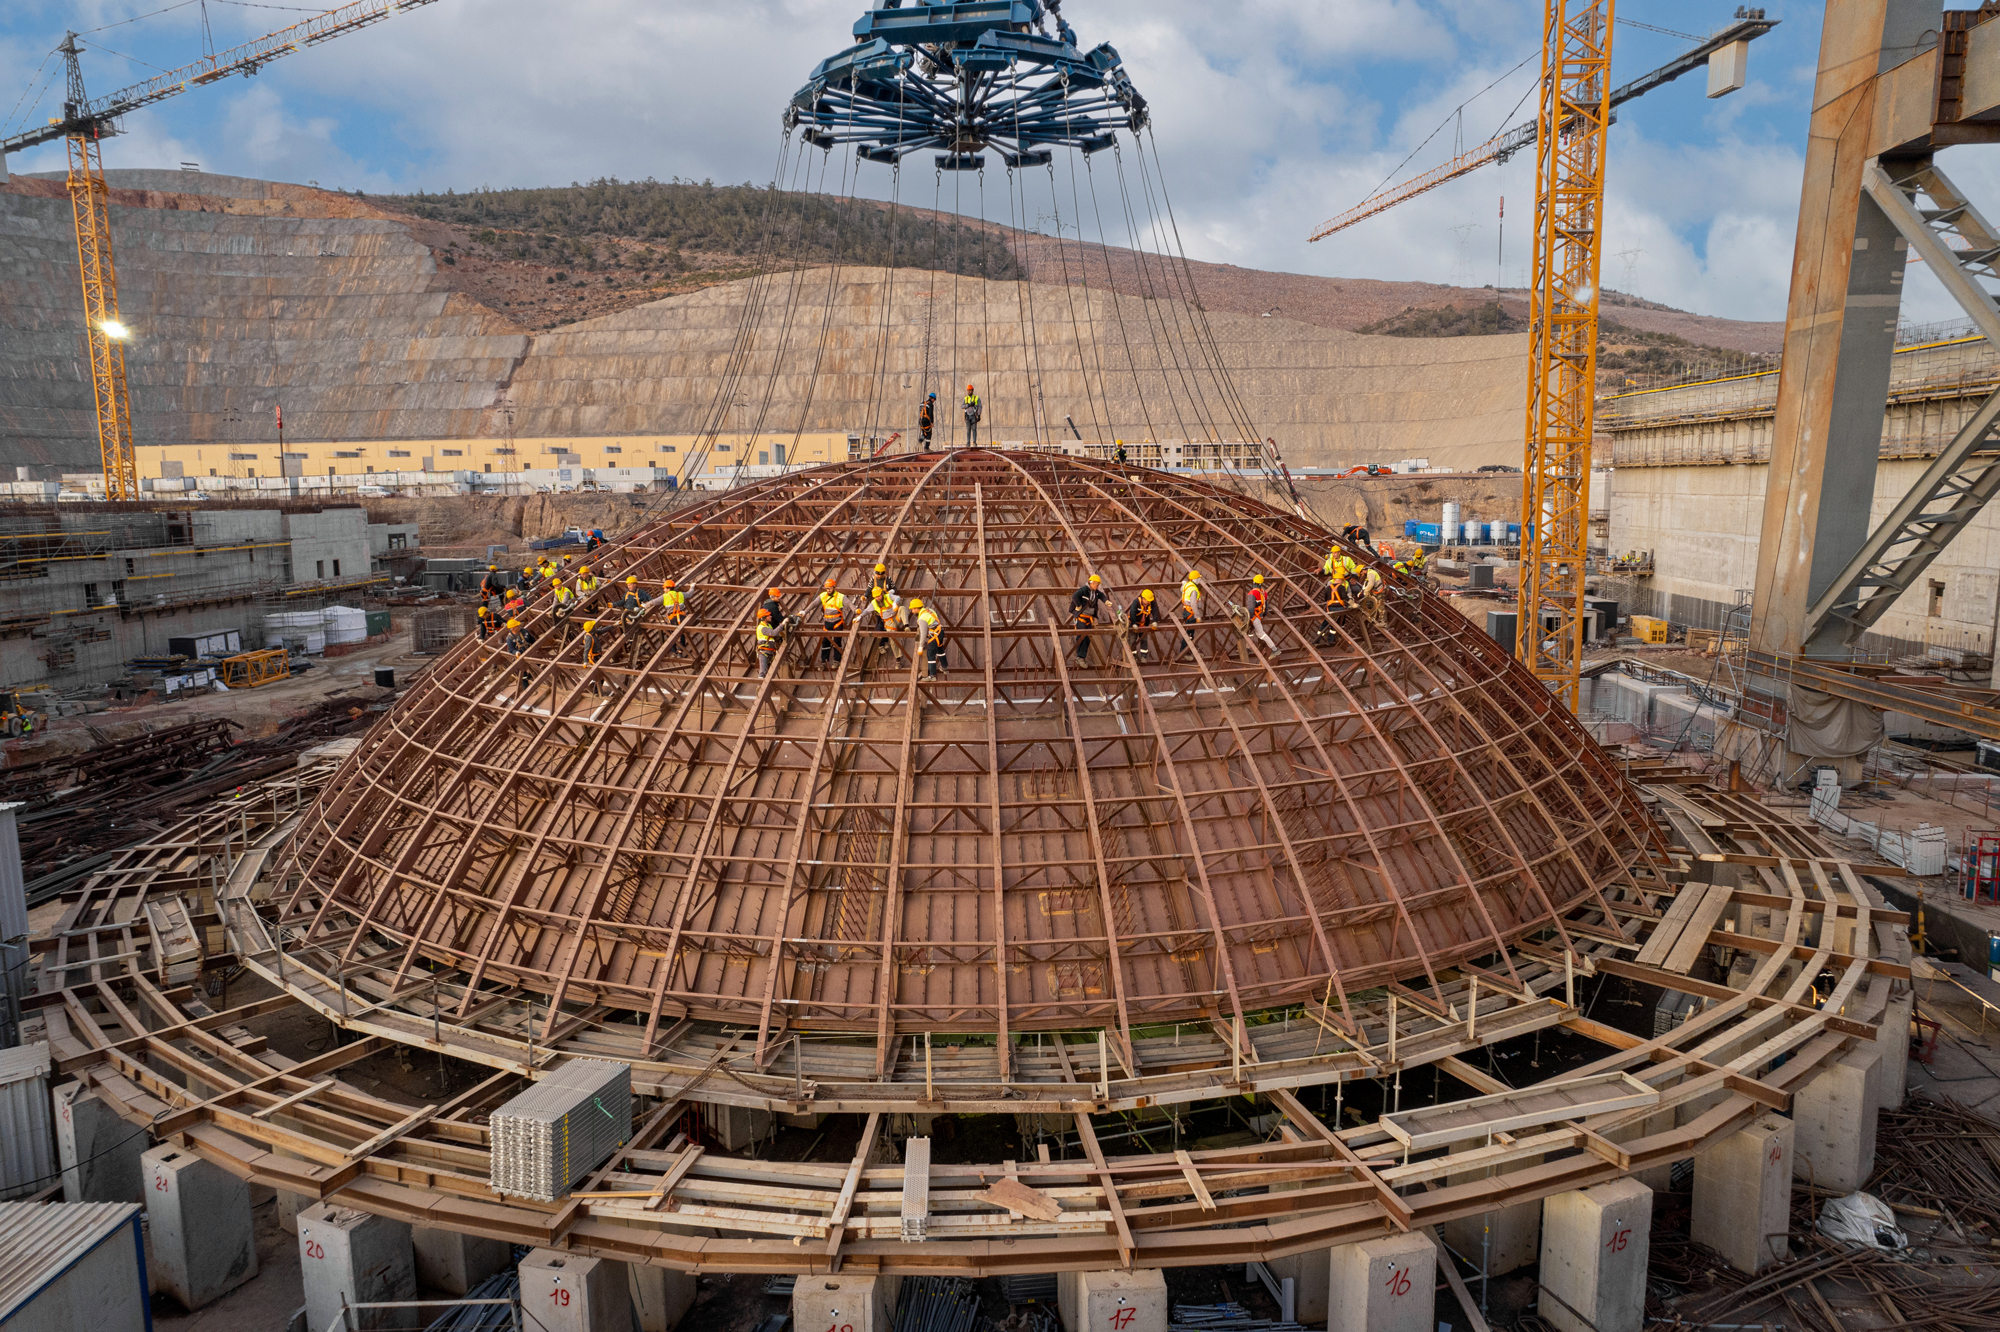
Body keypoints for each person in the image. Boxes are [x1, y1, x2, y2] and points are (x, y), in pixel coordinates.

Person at [1069, 572, 1111, 665]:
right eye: (1097, 584)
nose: (1098, 586)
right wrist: (1078, 605)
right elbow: (1075, 596)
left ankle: (1082, 657)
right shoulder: (1084, 590)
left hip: (1088, 619)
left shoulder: (1095, 592)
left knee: (1087, 638)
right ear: (1092, 583)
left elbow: (1101, 595)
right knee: (1081, 637)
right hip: (1081, 618)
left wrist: (1106, 601)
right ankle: (1080, 657)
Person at [868, 578, 906, 664]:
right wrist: (859, 615)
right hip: (885, 619)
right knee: (882, 630)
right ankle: (883, 645)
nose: (878, 598)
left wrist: (894, 602)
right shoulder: (874, 601)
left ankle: (905, 626)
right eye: (876, 597)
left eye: (879, 596)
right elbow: (866, 609)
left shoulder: (888, 590)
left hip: (894, 617)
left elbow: (897, 594)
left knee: (902, 609)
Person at [914, 597, 947, 678]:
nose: (912, 611)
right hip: (940, 632)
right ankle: (944, 667)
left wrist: (921, 646)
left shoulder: (922, 619)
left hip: (935, 636)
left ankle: (932, 675)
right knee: (940, 649)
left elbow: (923, 634)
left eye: (913, 609)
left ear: (917, 608)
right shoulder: (930, 610)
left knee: (930, 654)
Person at [818, 576, 847, 666]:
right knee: (825, 641)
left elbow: (849, 604)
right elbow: (813, 603)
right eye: (827, 588)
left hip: (837, 623)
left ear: (834, 587)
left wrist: (856, 611)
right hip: (827, 622)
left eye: (830, 588)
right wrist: (805, 611)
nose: (828, 590)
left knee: (837, 641)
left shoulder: (840, 597)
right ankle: (824, 660)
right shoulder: (823, 596)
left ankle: (836, 660)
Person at [1246, 573, 1278, 655]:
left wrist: (1249, 618)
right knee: (1249, 632)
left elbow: (1251, 608)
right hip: (1259, 616)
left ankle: (1274, 649)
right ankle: (1247, 648)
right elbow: (1266, 606)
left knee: (1261, 634)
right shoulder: (1264, 593)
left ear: (1254, 583)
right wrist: (1263, 615)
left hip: (1254, 617)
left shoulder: (1252, 593)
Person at [659, 576, 689, 653]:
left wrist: (645, 605)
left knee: (670, 634)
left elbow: (654, 602)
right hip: (682, 617)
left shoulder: (665, 596)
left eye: (664, 588)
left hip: (671, 618)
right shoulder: (681, 594)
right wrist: (692, 587)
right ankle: (680, 651)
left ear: (668, 589)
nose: (664, 590)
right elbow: (690, 594)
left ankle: (673, 651)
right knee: (681, 633)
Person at [1127, 587, 1158, 661]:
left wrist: (1155, 621)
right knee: (1132, 640)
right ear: (1143, 598)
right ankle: (1133, 656)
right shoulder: (1136, 602)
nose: (1149, 602)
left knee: (1144, 640)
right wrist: (1134, 623)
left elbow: (1155, 611)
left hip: (1144, 624)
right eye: (1148, 600)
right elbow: (1132, 613)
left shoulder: (1151, 602)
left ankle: (1144, 656)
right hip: (1134, 624)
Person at [754, 607, 781, 678]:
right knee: (763, 671)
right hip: (764, 652)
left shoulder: (768, 625)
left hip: (770, 652)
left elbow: (773, 636)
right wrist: (783, 624)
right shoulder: (762, 628)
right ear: (764, 617)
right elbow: (773, 633)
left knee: (768, 671)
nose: (770, 616)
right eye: (768, 615)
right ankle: (761, 686)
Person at [962, 383, 981, 448]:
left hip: (974, 416)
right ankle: (968, 443)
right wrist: (968, 405)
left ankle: (974, 443)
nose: (969, 392)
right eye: (968, 390)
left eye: (970, 390)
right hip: (967, 416)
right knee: (968, 430)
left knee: (974, 429)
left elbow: (980, 406)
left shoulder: (976, 398)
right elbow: (962, 406)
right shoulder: (966, 398)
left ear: (972, 391)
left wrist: (978, 415)